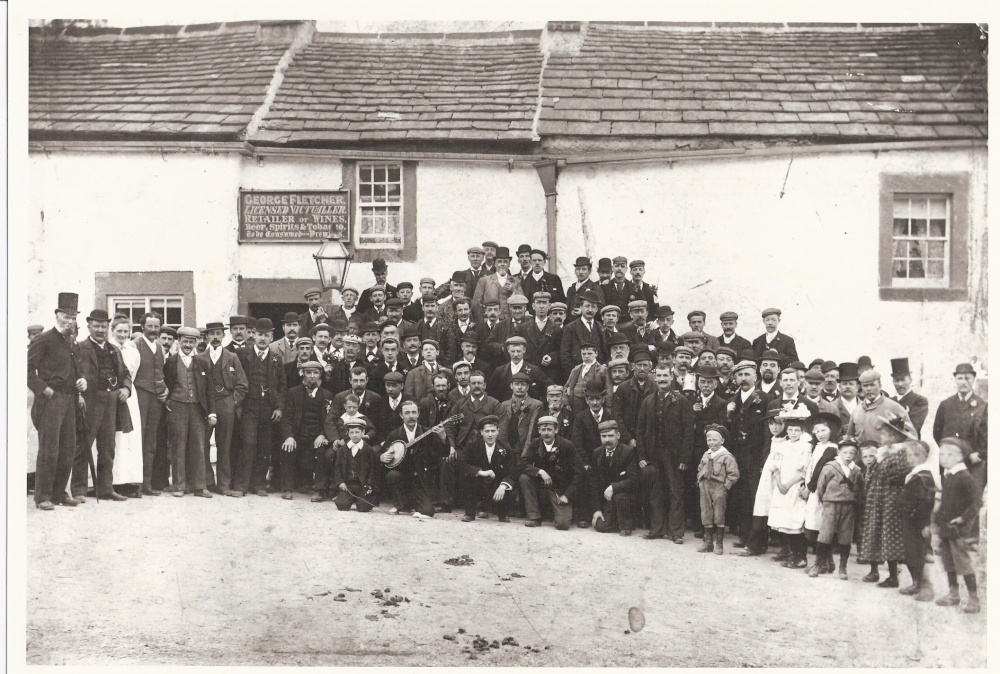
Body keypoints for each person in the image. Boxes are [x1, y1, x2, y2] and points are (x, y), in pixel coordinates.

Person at [28, 292, 86, 510]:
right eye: (66, 316)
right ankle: (42, 496)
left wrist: (82, 382)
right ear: (57, 315)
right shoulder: (44, 339)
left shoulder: (72, 342)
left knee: (67, 448)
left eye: (73, 317)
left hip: (70, 399)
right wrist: (43, 389)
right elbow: (26, 369)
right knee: (49, 448)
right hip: (51, 400)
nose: (70, 321)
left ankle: (60, 493)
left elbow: (77, 370)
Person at [72, 309, 131, 502]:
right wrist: (78, 395)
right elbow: (73, 374)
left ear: (108, 327)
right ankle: (79, 490)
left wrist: (126, 389)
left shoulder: (114, 349)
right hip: (89, 403)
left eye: (103, 326)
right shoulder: (79, 348)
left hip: (112, 402)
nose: (100, 330)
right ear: (89, 326)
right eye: (96, 326)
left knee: (108, 448)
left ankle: (106, 488)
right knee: (84, 446)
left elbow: (126, 374)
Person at [636, 364, 695, 544]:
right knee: (656, 492)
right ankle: (657, 529)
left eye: (665, 376)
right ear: (654, 377)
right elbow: (640, 430)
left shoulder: (682, 400)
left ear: (671, 378)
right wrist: (642, 456)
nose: (662, 380)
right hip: (654, 453)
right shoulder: (648, 401)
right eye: (659, 376)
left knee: (675, 492)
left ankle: (676, 532)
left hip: (674, 455)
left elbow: (688, 432)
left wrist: (684, 458)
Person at [857, 416, 914, 587]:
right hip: (876, 498)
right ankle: (874, 571)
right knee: (873, 532)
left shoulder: (901, 453)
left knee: (890, 536)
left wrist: (882, 470)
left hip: (890, 499)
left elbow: (899, 474)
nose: (881, 437)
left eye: (884, 434)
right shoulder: (882, 452)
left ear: (893, 437)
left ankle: (893, 576)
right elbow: (871, 472)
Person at [234, 318, 285, 497]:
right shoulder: (242, 354)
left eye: (267, 335)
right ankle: (241, 486)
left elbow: (281, 387)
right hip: (249, 407)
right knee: (248, 444)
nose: (263, 338)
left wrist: (278, 408)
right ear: (253, 335)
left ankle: (259, 485)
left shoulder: (277, 359)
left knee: (265, 446)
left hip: (268, 409)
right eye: (260, 334)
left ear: (272, 337)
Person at [163, 327, 215, 498]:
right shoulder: (170, 361)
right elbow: (166, 385)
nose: (187, 345)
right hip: (177, 407)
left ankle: (200, 486)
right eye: (184, 341)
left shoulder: (202, 362)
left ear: (195, 343)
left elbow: (209, 390)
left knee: (199, 446)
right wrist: (168, 401)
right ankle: (179, 486)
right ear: (178, 342)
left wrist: (211, 412)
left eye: (191, 342)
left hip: (197, 408)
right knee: (178, 446)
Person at [934, 437, 982, 613]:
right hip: (946, 528)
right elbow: (945, 502)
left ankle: (974, 599)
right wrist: (938, 520)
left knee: (963, 562)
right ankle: (953, 594)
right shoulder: (947, 476)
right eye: (941, 454)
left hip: (958, 530)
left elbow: (976, 503)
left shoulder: (965, 477)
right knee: (948, 562)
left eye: (948, 455)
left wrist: (963, 519)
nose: (943, 458)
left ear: (959, 457)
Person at [726, 359, 770, 550]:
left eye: (747, 375)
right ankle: (745, 536)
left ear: (755, 377)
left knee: (756, 498)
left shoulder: (765, 399)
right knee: (742, 496)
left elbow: (768, 432)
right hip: (738, 455)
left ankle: (758, 542)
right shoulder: (732, 401)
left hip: (756, 456)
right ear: (735, 378)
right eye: (740, 375)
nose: (743, 379)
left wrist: (764, 458)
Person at [203, 321, 248, 496]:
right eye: (212, 334)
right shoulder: (200, 357)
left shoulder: (232, 357)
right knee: (203, 444)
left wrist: (231, 403)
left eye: (218, 333)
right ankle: (206, 481)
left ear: (223, 335)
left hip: (226, 404)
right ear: (207, 336)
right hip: (206, 406)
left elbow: (242, 385)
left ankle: (223, 485)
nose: (215, 337)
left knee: (225, 445)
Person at [380, 400, 447, 517]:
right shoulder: (394, 435)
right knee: (392, 475)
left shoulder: (428, 432)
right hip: (403, 477)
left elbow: (444, 453)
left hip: (421, 479)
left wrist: (443, 438)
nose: (411, 416)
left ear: (418, 414)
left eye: (413, 412)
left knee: (428, 512)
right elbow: (385, 454)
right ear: (401, 415)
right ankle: (401, 504)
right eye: (407, 413)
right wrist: (382, 457)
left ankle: (414, 505)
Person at [766, 409, 812, 569]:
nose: (793, 433)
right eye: (791, 429)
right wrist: (779, 483)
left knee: (795, 523)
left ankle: (801, 557)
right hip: (782, 487)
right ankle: (792, 554)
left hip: (794, 487)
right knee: (785, 522)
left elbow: (803, 471)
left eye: (797, 430)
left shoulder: (805, 447)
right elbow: (776, 466)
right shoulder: (783, 445)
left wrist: (788, 484)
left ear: (802, 431)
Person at [280, 361, 332, 501]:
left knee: (322, 452)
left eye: (315, 373)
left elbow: (329, 420)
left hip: (317, 436)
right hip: (299, 435)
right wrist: (289, 436)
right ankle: (287, 488)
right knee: (288, 447)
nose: (312, 376)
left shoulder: (327, 395)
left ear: (320, 375)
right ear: (303, 374)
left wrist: (322, 435)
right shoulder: (293, 393)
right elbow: (286, 418)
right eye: (308, 373)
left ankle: (319, 490)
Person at [932, 363, 988, 493]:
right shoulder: (946, 405)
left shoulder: (982, 406)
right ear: (955, 380)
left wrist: (974, 454)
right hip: (949, 463)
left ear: (973, 380)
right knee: (949, 501)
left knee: (969, 502)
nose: (964, 382)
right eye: (960, 378)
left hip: (972, 465)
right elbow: (937, 432)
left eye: (967, 378)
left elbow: (987, 439)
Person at [812, 437, 863, 580]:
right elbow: (820, 487)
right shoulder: (830, 467)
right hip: (831, 504)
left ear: (856, 455)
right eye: (845, 452)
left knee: (845, 537)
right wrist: (826, 500)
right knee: (825, 534)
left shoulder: (857, 471)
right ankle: (818, 564)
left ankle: (842, 567)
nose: (848, 456)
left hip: (848, 506)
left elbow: (860, 489)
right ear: (839, 452)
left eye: (852, 453)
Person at [519, 416, 581, 530]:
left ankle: (558, 512)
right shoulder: (535, 443)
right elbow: (522, 463)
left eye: (549, 430)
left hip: (559, 489)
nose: (546, 433)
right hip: (541, 485)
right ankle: (534, 517)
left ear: (556, 430)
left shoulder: (567, 445)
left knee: (563, 524)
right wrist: (540, 471)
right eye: (543, 430)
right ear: (539, 430)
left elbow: (579, 473)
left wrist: (568, 495)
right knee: (524, 478)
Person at [132, 311, 169, 496]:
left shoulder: (161, 348)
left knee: (151, 442)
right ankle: (135, 485)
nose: (153, 329)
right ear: (142, 327)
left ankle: (147, 484)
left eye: (156, 326)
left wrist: (165, 389)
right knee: (138, 440)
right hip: (139, 396)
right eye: (150, 326)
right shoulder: (135, 345)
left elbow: (162, 373)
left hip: (156, 399)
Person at [109, 314, 144, 496]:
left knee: (129, 438)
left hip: (129, 396)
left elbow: (133, 374)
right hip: (112, 395)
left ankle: (128, 480)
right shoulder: (108, 348)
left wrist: (127, 390)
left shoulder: (133, 352)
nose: (122, 334)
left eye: (126, 331)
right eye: (119, 331)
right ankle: (113, 481)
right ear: (112, 331)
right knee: (114, 437)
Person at [897, 440, 937, 599]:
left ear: (925, 456)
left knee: (916, 551)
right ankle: (916, 582)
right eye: (909, 455)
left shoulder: (924, 475)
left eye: (916, 455)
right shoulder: (914, 473)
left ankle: (919, 584)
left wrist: (915, 515)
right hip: (909, 518)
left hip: (917, 520)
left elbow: (927, 501)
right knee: (910, 551)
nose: (911, 458)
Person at [803, 412, 842, 573]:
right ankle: (828, 562)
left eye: (823, 430)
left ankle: (821, 563)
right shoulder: (818, 447)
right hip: (813, 491)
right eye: (816, 431)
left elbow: (820, 470)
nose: (820, 434)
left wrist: (809, 488)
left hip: (821, 492)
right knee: (814, 525)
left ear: (831, 430)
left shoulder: (831, 449)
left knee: (820, 526)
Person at [746, 409, 786, 557]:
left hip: (780, 482)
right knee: (761, 509)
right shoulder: (769, 441)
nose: (774, 428)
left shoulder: (787, 443)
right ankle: (756, 545)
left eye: (778, 424)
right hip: (766, 481)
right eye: (771, 424)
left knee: (780, 511)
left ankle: (785, 548)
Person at [462, 415, 516, 522]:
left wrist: (503, 486)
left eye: (493, 431)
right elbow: (462, 464)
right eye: (487, 431)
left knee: (507, 486)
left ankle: (503, 514)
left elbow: (512, 470)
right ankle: (470, 513)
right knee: (469, 477)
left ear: (498, 431)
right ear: (481, 432)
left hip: (497, 485)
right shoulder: (473, 446)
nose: (490, 435)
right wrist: (480, 472)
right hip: (479, 483)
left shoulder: (505, 447)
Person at [696, 424, 739, 555]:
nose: (711, 443)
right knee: (706, 512)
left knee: (719, 514)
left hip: (719, 487)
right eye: (709, 440)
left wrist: (726, 486)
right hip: (705, 486)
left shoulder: (727, 456)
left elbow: (733, 474)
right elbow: (700, 467)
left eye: (715, 440)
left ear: (722, 441)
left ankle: (719, 543)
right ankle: (708, 542)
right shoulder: (706, 454)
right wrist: (699, 479)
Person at [591, 420, 639, 536]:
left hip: (625, 498)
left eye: (611, 436)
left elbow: (634, 480)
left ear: (618, 435)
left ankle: (627, 525)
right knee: (600, 526)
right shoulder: (597, 453)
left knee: (620, 496)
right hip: (608, 499)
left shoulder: (628, 452)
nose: (607, 439)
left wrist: (614, 487)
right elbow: (594, 483)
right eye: (604, 436)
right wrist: (597, 510)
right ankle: (616, 520)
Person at [847, 370, 916, 446]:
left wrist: (893, 452)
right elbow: (849, 438)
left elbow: (911, 438)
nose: (868, 389)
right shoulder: (857, 411)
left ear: (880, 385)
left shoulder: (894, 408)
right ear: (861, 387)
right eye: (865, 386)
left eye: (872, 385)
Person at [333, 418, 377, 512]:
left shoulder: (368, 450)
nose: (354, 435)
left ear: (363, 432)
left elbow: (373, 470)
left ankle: (362, 500)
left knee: (364, 507)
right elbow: (337, 468)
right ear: (348, 433)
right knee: (342, 505)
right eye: (351, 432)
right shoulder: (343, 450)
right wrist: (340, 482)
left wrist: (369, 485)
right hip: (348, 485)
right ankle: (347, 498)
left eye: (357, 432)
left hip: (363, 486)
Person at [497, 371, 543, 456]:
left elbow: (531, 431)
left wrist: (525, 455)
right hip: (508, 450)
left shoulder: (536, 405)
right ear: (511, 386)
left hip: (525, 450)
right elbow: (501, 430)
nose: (519, 387)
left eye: (523, 384)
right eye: (516, 384)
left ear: (528, 387)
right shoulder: (504, 405)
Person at [560, 290, 606, 372]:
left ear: (597, 309)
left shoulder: (601, 327)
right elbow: (564, 355)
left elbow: (605, 351)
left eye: (593, 307)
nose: (590, 310)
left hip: (598, 374)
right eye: (587, 306)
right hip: (578, 374)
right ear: (581, 308)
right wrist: (574, 374)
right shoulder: (570, 328)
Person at [564, 341, 607, 415]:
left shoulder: (602, 369)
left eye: (589, 353)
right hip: (576, 403)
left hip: (593, 402)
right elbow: (566, 386)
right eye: (584, 354)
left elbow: (607, 388)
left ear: (596, 353)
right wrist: (566, 403)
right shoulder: (576, 369)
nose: (586, 356)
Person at [891, 359, 930, 435]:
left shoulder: (920, 400)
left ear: (910, 380)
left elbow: (913, 426)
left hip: (910, 443)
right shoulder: (889, 401)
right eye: (896, 380)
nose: (900, 384)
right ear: (893, 382)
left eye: (903, 380)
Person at [565, 256, 605, 323]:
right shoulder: (571, 288)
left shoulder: (595, 288)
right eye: (578, 269)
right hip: (570, 326)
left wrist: (583, 311)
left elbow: (601, 309)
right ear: (575, 271)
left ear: (589, 271)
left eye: (584, 269)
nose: (580, 272)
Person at [835, 362, 861, 428]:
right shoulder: (832, 407)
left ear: (857, 387)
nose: (848, 386)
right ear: (839, 386)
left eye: (851, 384)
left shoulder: (865, 406)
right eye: (844, 384)